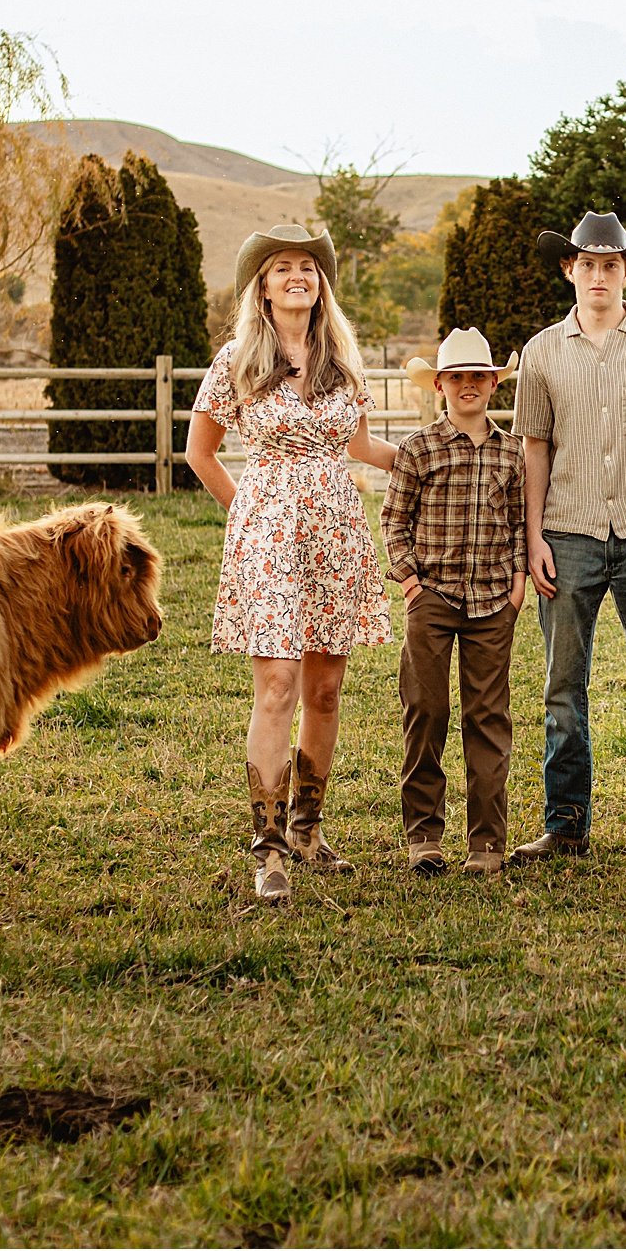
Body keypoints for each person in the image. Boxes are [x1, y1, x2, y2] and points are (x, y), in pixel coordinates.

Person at [184, 224, 399, 906]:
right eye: (282, 268)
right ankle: (268, 843)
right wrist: (249, 514)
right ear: (264, 286)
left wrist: (439, 452)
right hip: (269, 538)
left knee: (326, 689)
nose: (297, 275)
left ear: (319, 283)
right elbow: (200, 452)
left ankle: (309, 827)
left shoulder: (342, 360)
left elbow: (361, 446)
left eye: (307, 266)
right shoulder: (236, 361)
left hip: (336, 534)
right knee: (277, 682)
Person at [510, 211, 626, 873]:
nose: (597, 275)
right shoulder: (541, 352)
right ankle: (565, 825)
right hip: (568, 531)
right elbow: (534, 446)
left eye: (610, 264)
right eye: (586, 263)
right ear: (569, 269)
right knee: (563, 689)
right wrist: (533, 536)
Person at [382, 328, 528, 878]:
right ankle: (424, 835)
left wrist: (517, 582)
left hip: (493, 598)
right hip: (434, 597)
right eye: (457, 377)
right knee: (425, 709)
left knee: (487, 717)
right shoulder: (420, 448)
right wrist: (410, 582)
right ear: (439, 385)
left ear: (494, 383)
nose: (468, 386)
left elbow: (518, 522)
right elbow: (394, 519)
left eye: (479, 377)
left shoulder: (510, 451)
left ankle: (487, 841)